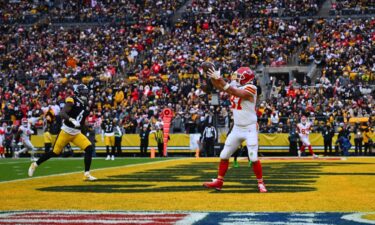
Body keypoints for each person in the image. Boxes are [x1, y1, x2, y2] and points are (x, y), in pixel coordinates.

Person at [203, 67, 267, 192]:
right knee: (224, 154)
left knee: (253, 157)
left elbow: (237, 93)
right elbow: (221, 87)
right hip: (237, 127)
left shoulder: (252, 88)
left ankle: (261, 183)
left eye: (239, 76)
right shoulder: (236, 86)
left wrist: (220, 79)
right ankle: (219, 181)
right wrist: (213, 77)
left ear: (246, 78)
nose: (236, 78)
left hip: (250, 127)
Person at [28, 84, 97, 181]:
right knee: (54, 152)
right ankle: (35, 164)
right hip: (66, 131)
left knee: (89, 149)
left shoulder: (85, 105)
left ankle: (87, 174)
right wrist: (71, 119)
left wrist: (88, 129)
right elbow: (62, 113)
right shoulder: (72, 100)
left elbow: (82, 122)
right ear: (78, 92)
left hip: (76, 133)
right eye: (84, 92)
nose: (86, 94)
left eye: (86, 93)